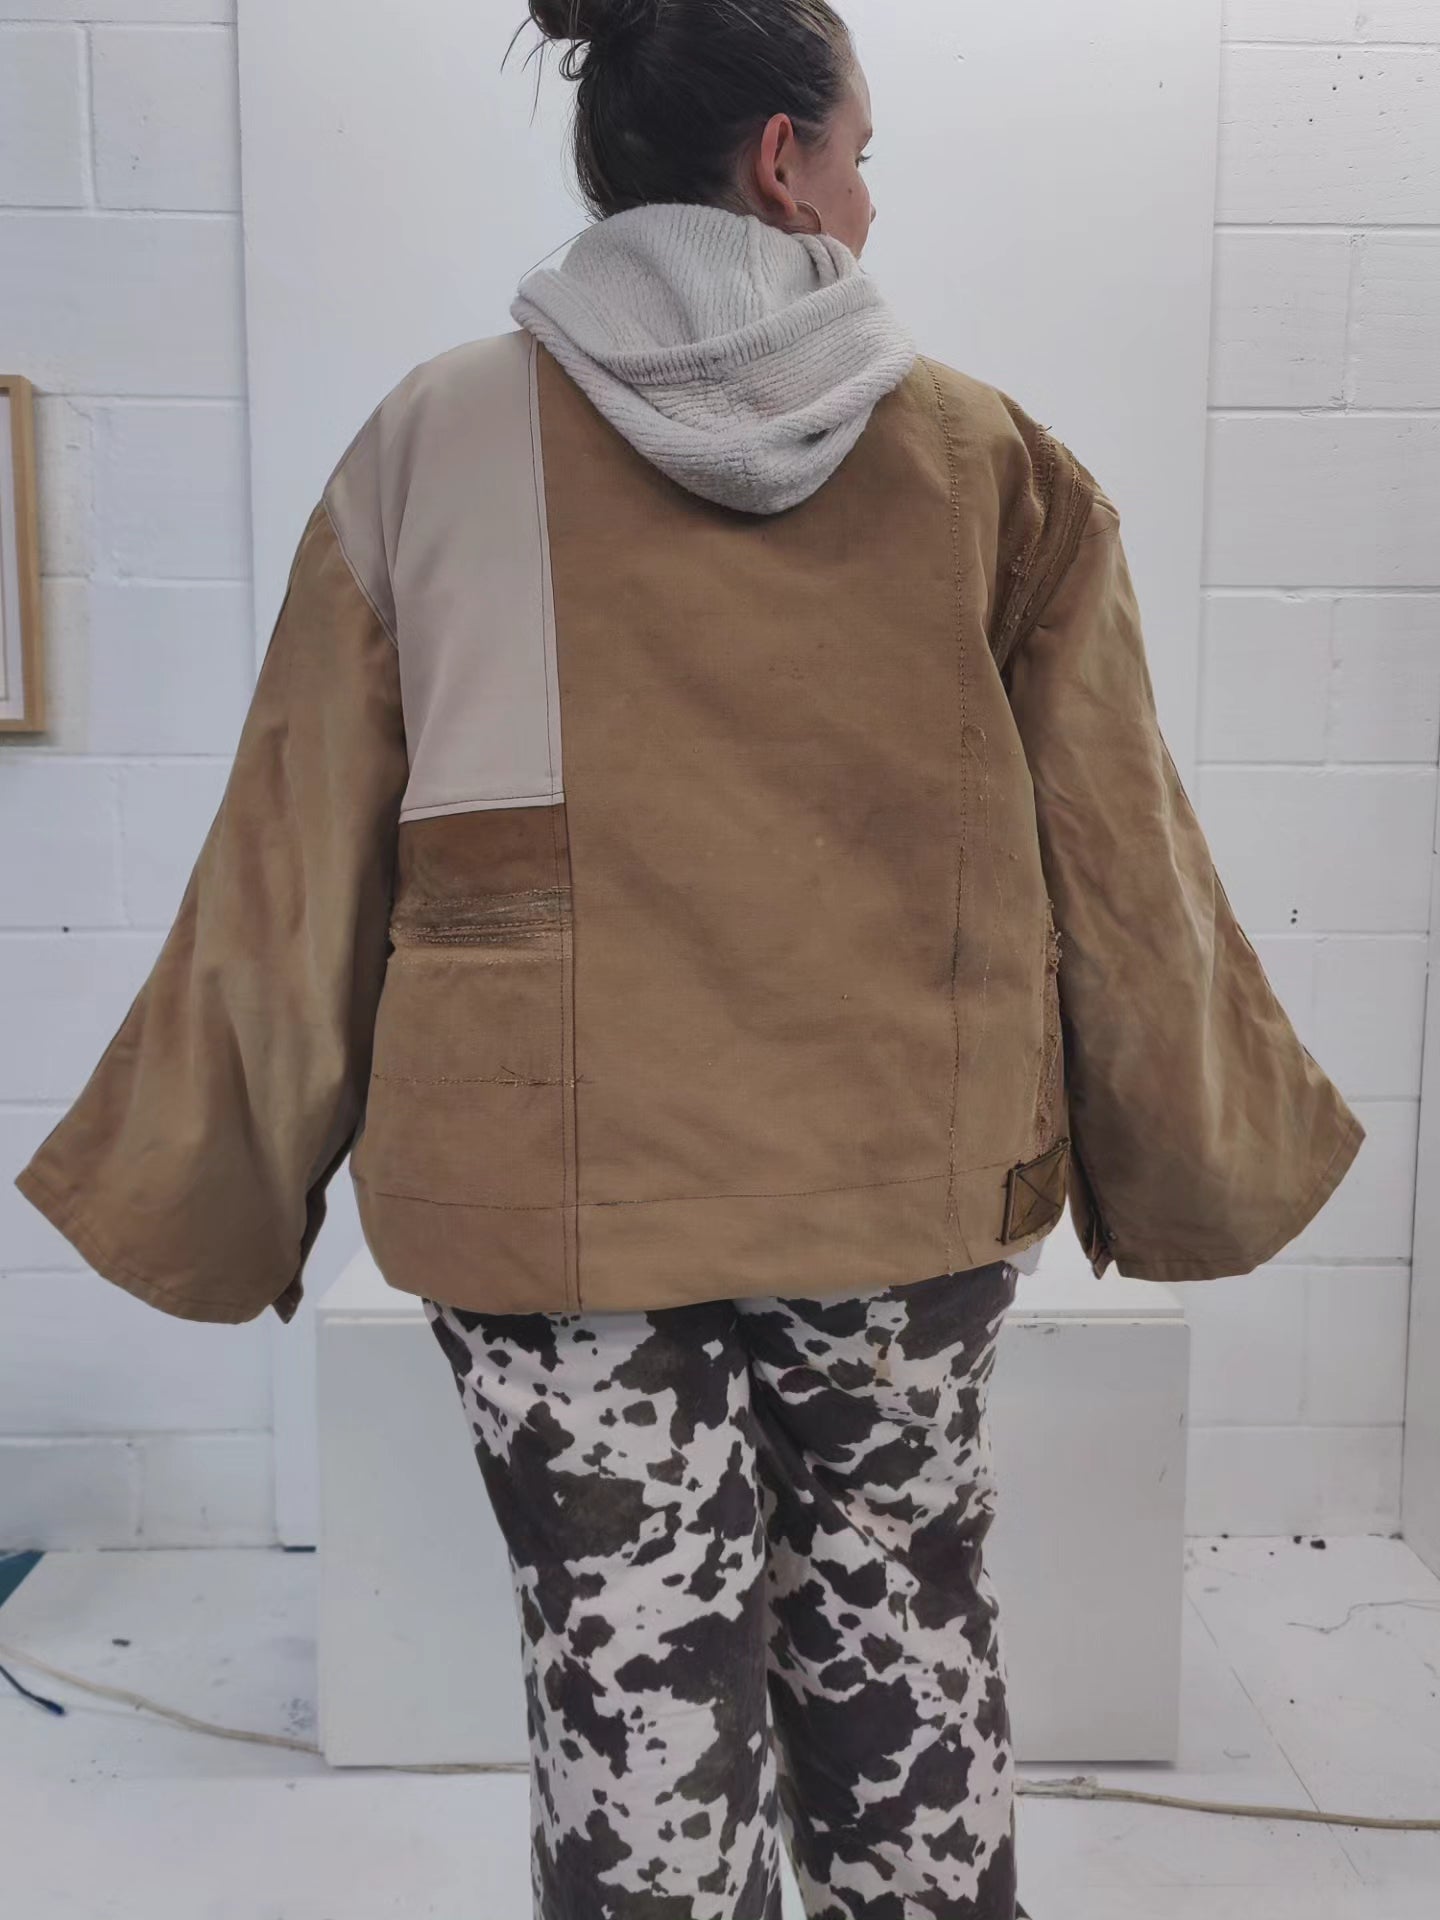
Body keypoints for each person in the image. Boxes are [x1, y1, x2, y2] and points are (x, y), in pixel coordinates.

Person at [15, 1, 1366, 1915]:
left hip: (546, 1189)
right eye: (864, 155)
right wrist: (1191, 1148)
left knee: (629, 1688)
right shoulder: (984, 457)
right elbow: (1121, 853)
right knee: (903, 1635)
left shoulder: (431, 439)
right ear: (782, 163)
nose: (871, 197)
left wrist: (211, 1186)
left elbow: (293, 847)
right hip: (899, 1177)